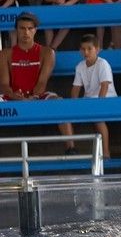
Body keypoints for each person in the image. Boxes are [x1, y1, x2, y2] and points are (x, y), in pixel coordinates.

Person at [0, 12, 75, 151]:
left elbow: (42, 82)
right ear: (16, 30)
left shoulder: (47, 52)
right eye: (22, 28)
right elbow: (4, 84)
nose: (26, 32)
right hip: (12, 95)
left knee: (59, 102)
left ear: (35, 30)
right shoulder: (5, 53)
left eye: (30, 28)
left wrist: (32, 97)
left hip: (38, 95)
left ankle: (71, 148)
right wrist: (13, 95)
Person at [70, 34, 117, 159]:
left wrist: (99, 105)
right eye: (83, 49)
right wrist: (72, 105)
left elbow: (105, 86)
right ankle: (72, 149)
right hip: (89, 100)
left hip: (107, 99)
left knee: (98, 118)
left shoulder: (103, 64)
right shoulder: (80, 66)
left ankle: (106, 153)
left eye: (89, 48)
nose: (86, 52)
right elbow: (76, 88)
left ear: (97, 49)